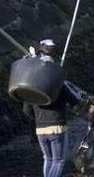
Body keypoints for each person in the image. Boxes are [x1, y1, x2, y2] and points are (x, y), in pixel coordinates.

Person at [23, 39, 80, 177]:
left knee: (47, 159)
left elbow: (26, 110)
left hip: (40, 129)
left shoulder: (32, 88)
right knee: (59, 160)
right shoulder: (58, 85)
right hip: (57, 127)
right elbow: (75, 100)